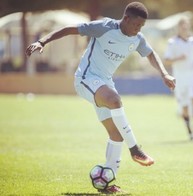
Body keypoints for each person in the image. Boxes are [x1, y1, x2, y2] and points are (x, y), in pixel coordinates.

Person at [26, 2, 175, 193]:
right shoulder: (104, 27)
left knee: (116, 134)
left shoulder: (137, 38)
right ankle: (135, 149)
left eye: (141, 27)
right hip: (86, 79)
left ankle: (106, 183)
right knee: (115, 100)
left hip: (105, 83)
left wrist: (164, 74)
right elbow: (69, 29)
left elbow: (151, 53)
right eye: (136, 25)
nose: (138, 29)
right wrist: (42, 41)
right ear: (126, 19)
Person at [164, 16, 193, 141]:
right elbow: (167, 60)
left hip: (191, 75)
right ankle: (190, 132)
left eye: (186, 25)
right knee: (185, 106)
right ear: (179, 27)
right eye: (182, 26)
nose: (184, 28)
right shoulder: (173, 42)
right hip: (180, 78)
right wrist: (178, 59)